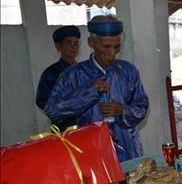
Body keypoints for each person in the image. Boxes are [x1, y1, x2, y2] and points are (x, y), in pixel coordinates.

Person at [44, 15, 149, 162]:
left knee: (132, 183)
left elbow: (142, 106)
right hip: (92, 153)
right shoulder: (73, 75)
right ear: (91, 42)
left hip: (129, 149)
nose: (112, 53)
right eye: (106, 47)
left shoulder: (128, 71)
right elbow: (52, 111)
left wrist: (122, 110)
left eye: (117, 46)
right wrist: (89, 93)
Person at [36, 25, 81, 130]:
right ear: (58, 46)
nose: (73, 47)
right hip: (62, 127)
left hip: (84, 125)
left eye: (76, 43)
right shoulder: (50, 73)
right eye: (69, 43)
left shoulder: (83, 71)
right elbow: (41, 100)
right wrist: (61, 110)